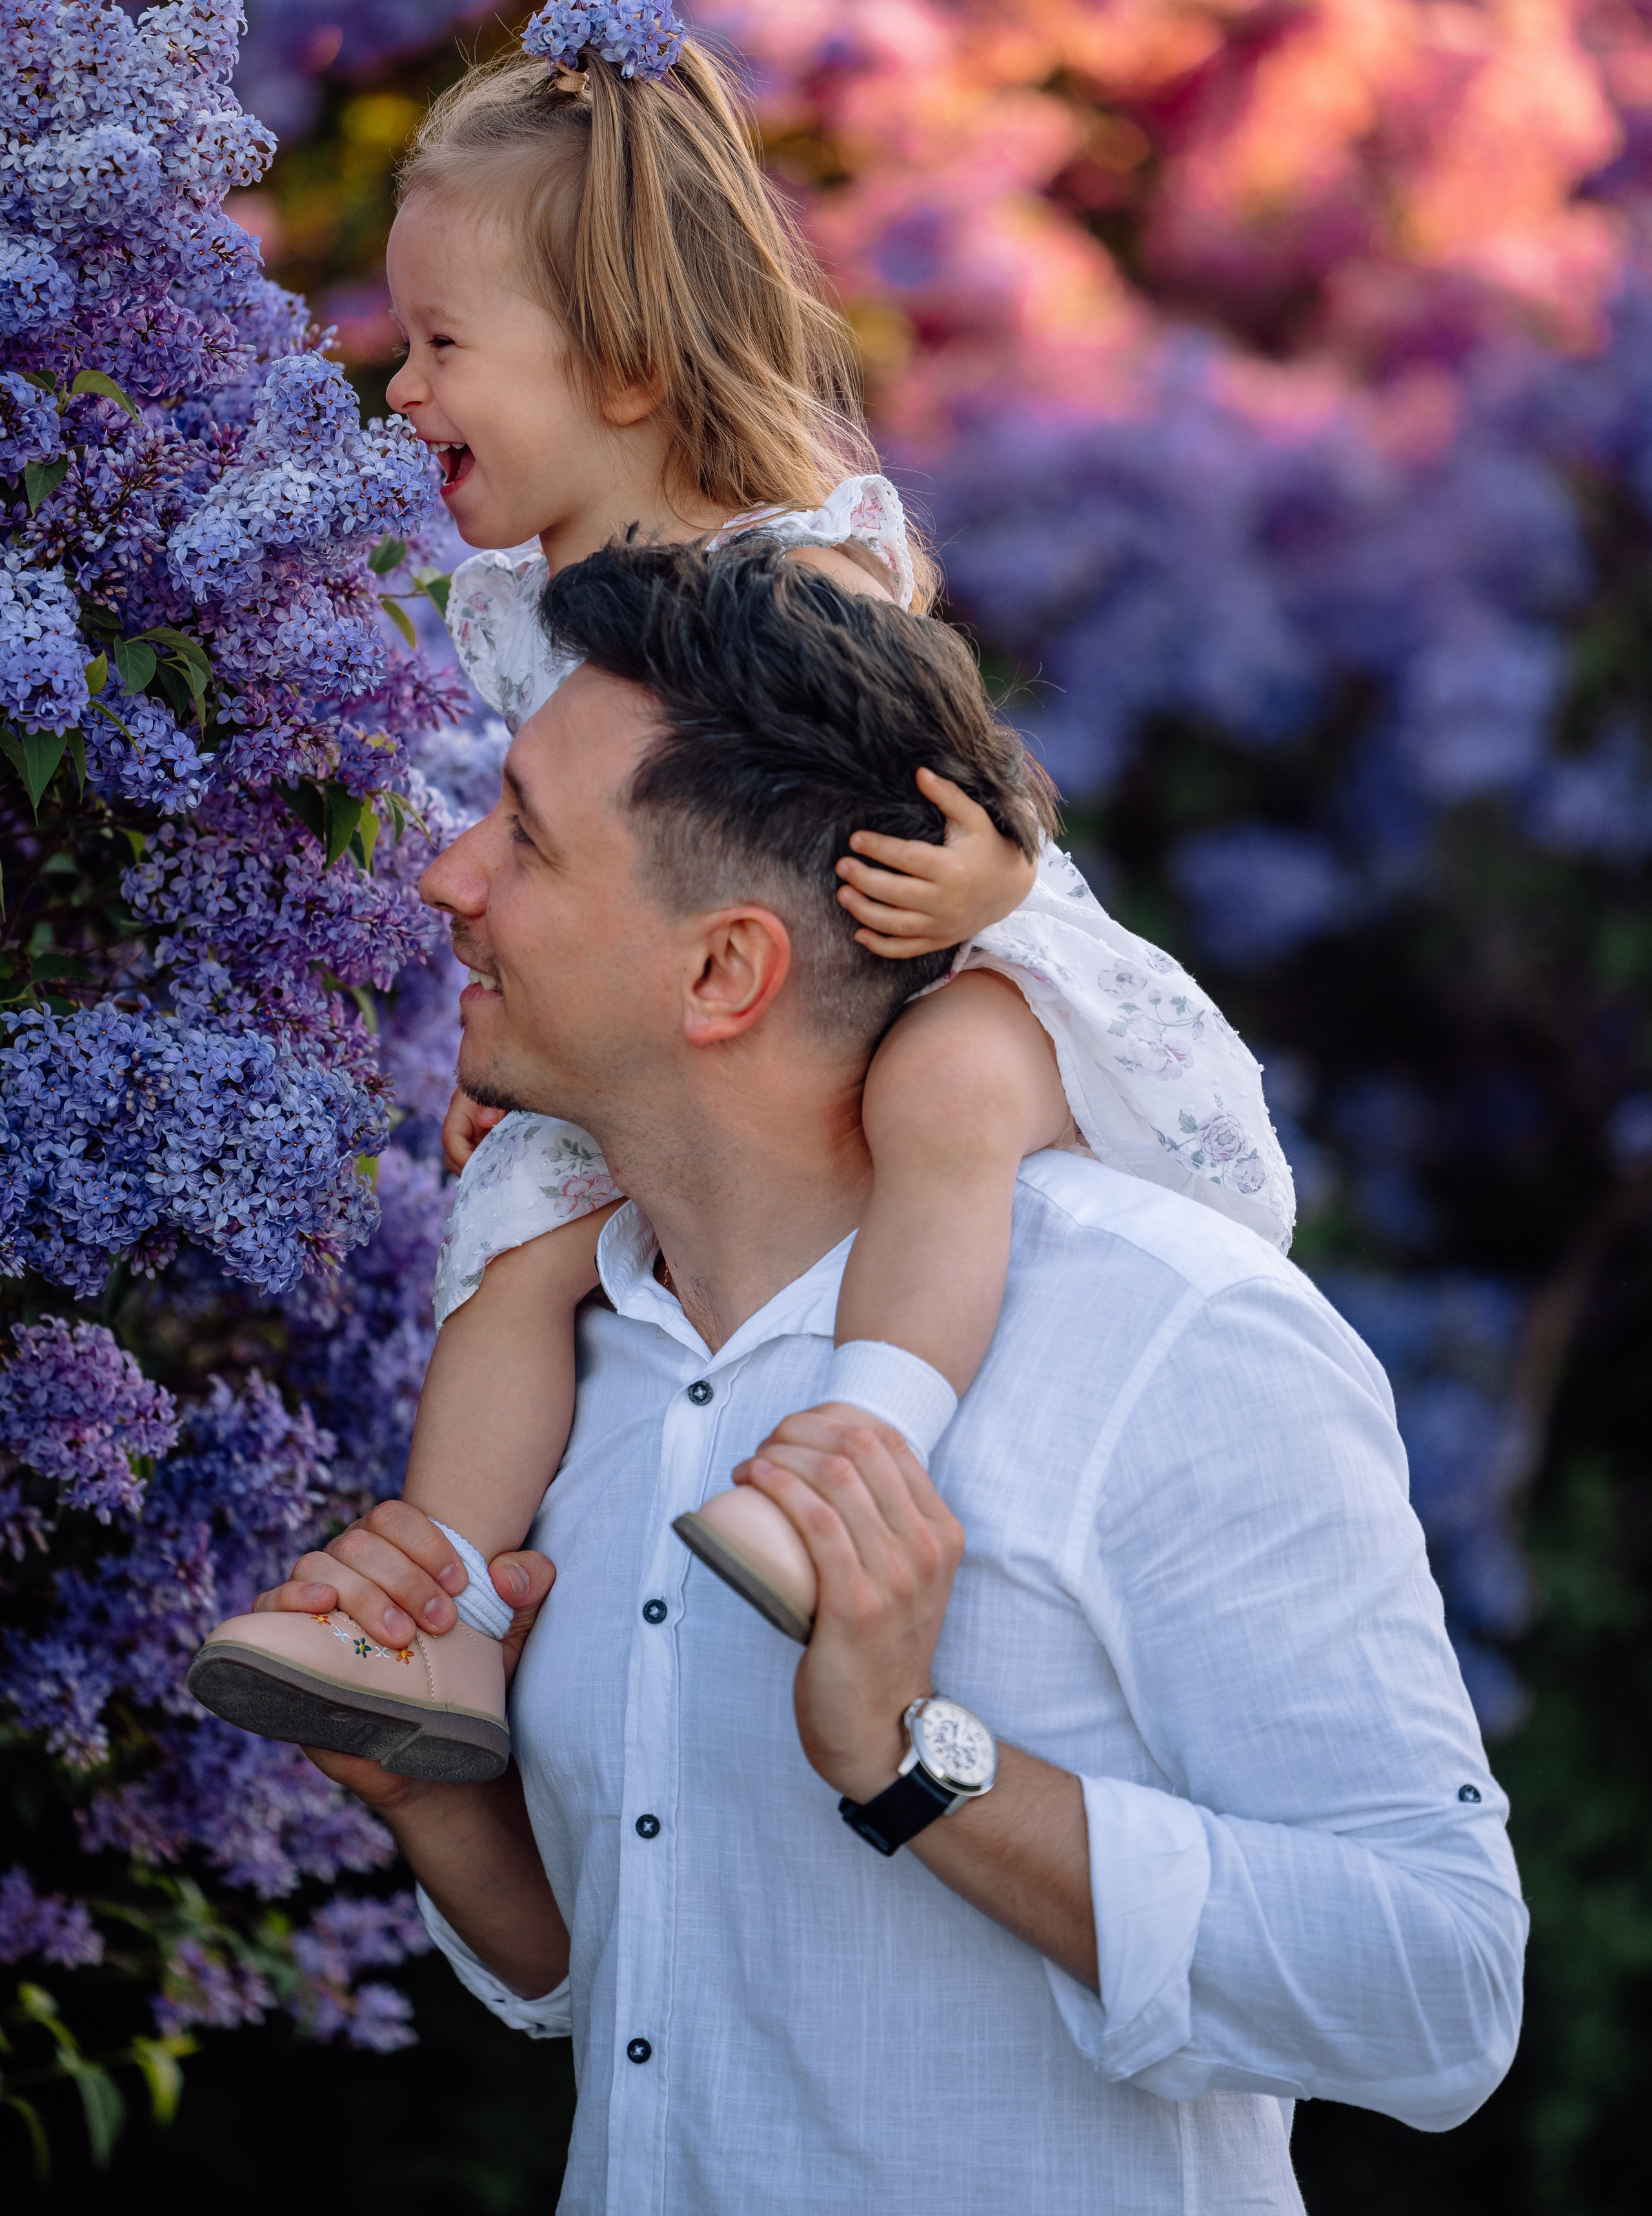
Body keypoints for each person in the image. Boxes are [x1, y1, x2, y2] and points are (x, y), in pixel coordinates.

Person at [217, 537, 1523, 2215]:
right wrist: (439, 1810)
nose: (448, 879)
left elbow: (1439, 1995)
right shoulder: (571, 1361)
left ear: (726, 973)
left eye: (526, 841)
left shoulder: (1172, 1335)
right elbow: (638, 1989)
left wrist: (919, 1766)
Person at [188, 0, 1293, 1776]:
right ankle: (451, 1623)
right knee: (516, 1235)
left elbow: (983, 787)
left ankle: (850, 1456)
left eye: (445, 346)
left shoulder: (799, 562)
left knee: (946, 1093)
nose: (400, 387)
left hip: (940, 959)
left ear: (621, 367)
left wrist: (989, 886)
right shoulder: (518, 599)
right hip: (716, 1012)